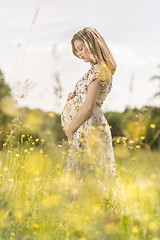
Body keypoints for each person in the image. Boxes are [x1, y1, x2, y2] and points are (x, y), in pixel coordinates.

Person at [61, 27, 123, 201]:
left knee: (87, 172)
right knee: (86, 171)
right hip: (84, 127)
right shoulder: (94, 71)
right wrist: (74, 98)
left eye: (81, 48)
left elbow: (89, 107)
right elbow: (87, 99)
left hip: (88, 128)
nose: (79, 53)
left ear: (92, 45)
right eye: (76, 50)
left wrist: (70, 129)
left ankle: (89, 214)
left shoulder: (99, 71)